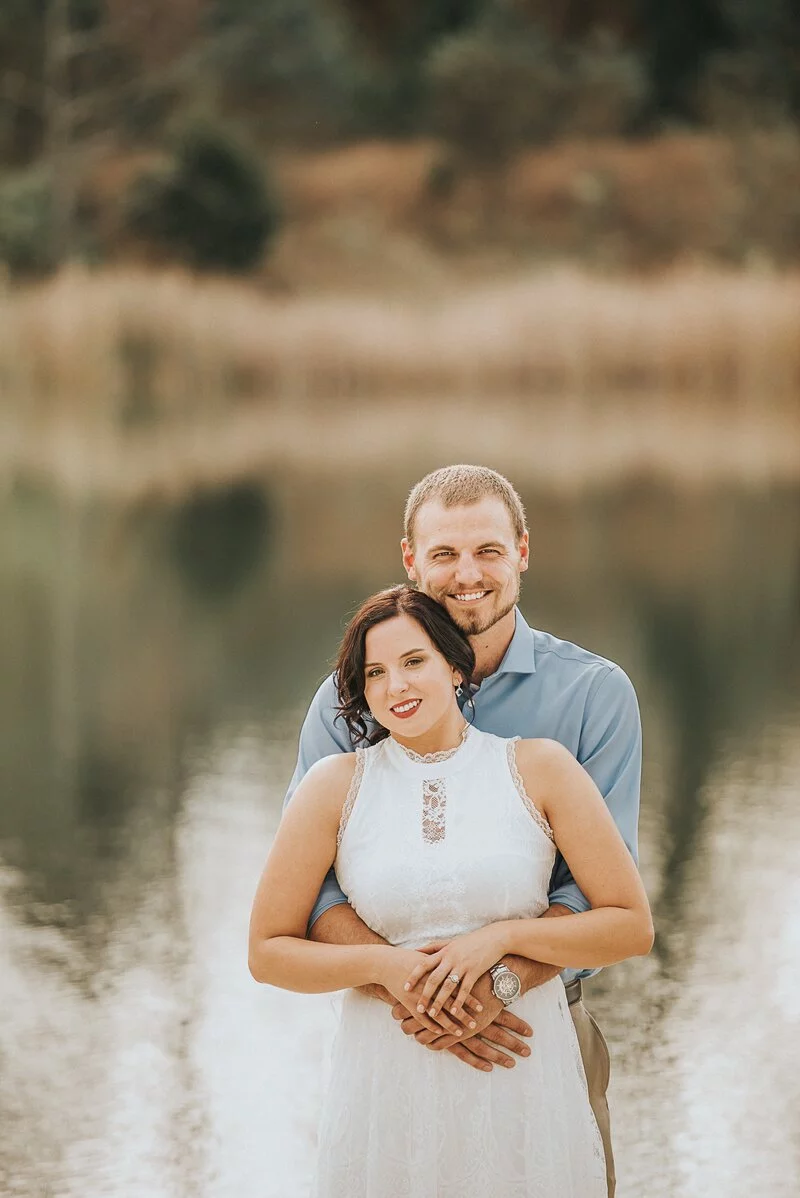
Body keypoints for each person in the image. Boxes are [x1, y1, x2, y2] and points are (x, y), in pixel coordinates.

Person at [277, 464, 642, 1196]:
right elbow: (312, 892)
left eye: (488, 551)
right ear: (410, 559)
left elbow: (595, 896)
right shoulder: (351, 697)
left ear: (523, 553)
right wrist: (412, 991)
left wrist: (497, 988)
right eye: (443, 554)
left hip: (541, 1029)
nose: (466, 574)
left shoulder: (592, 697)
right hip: (388, 1035)